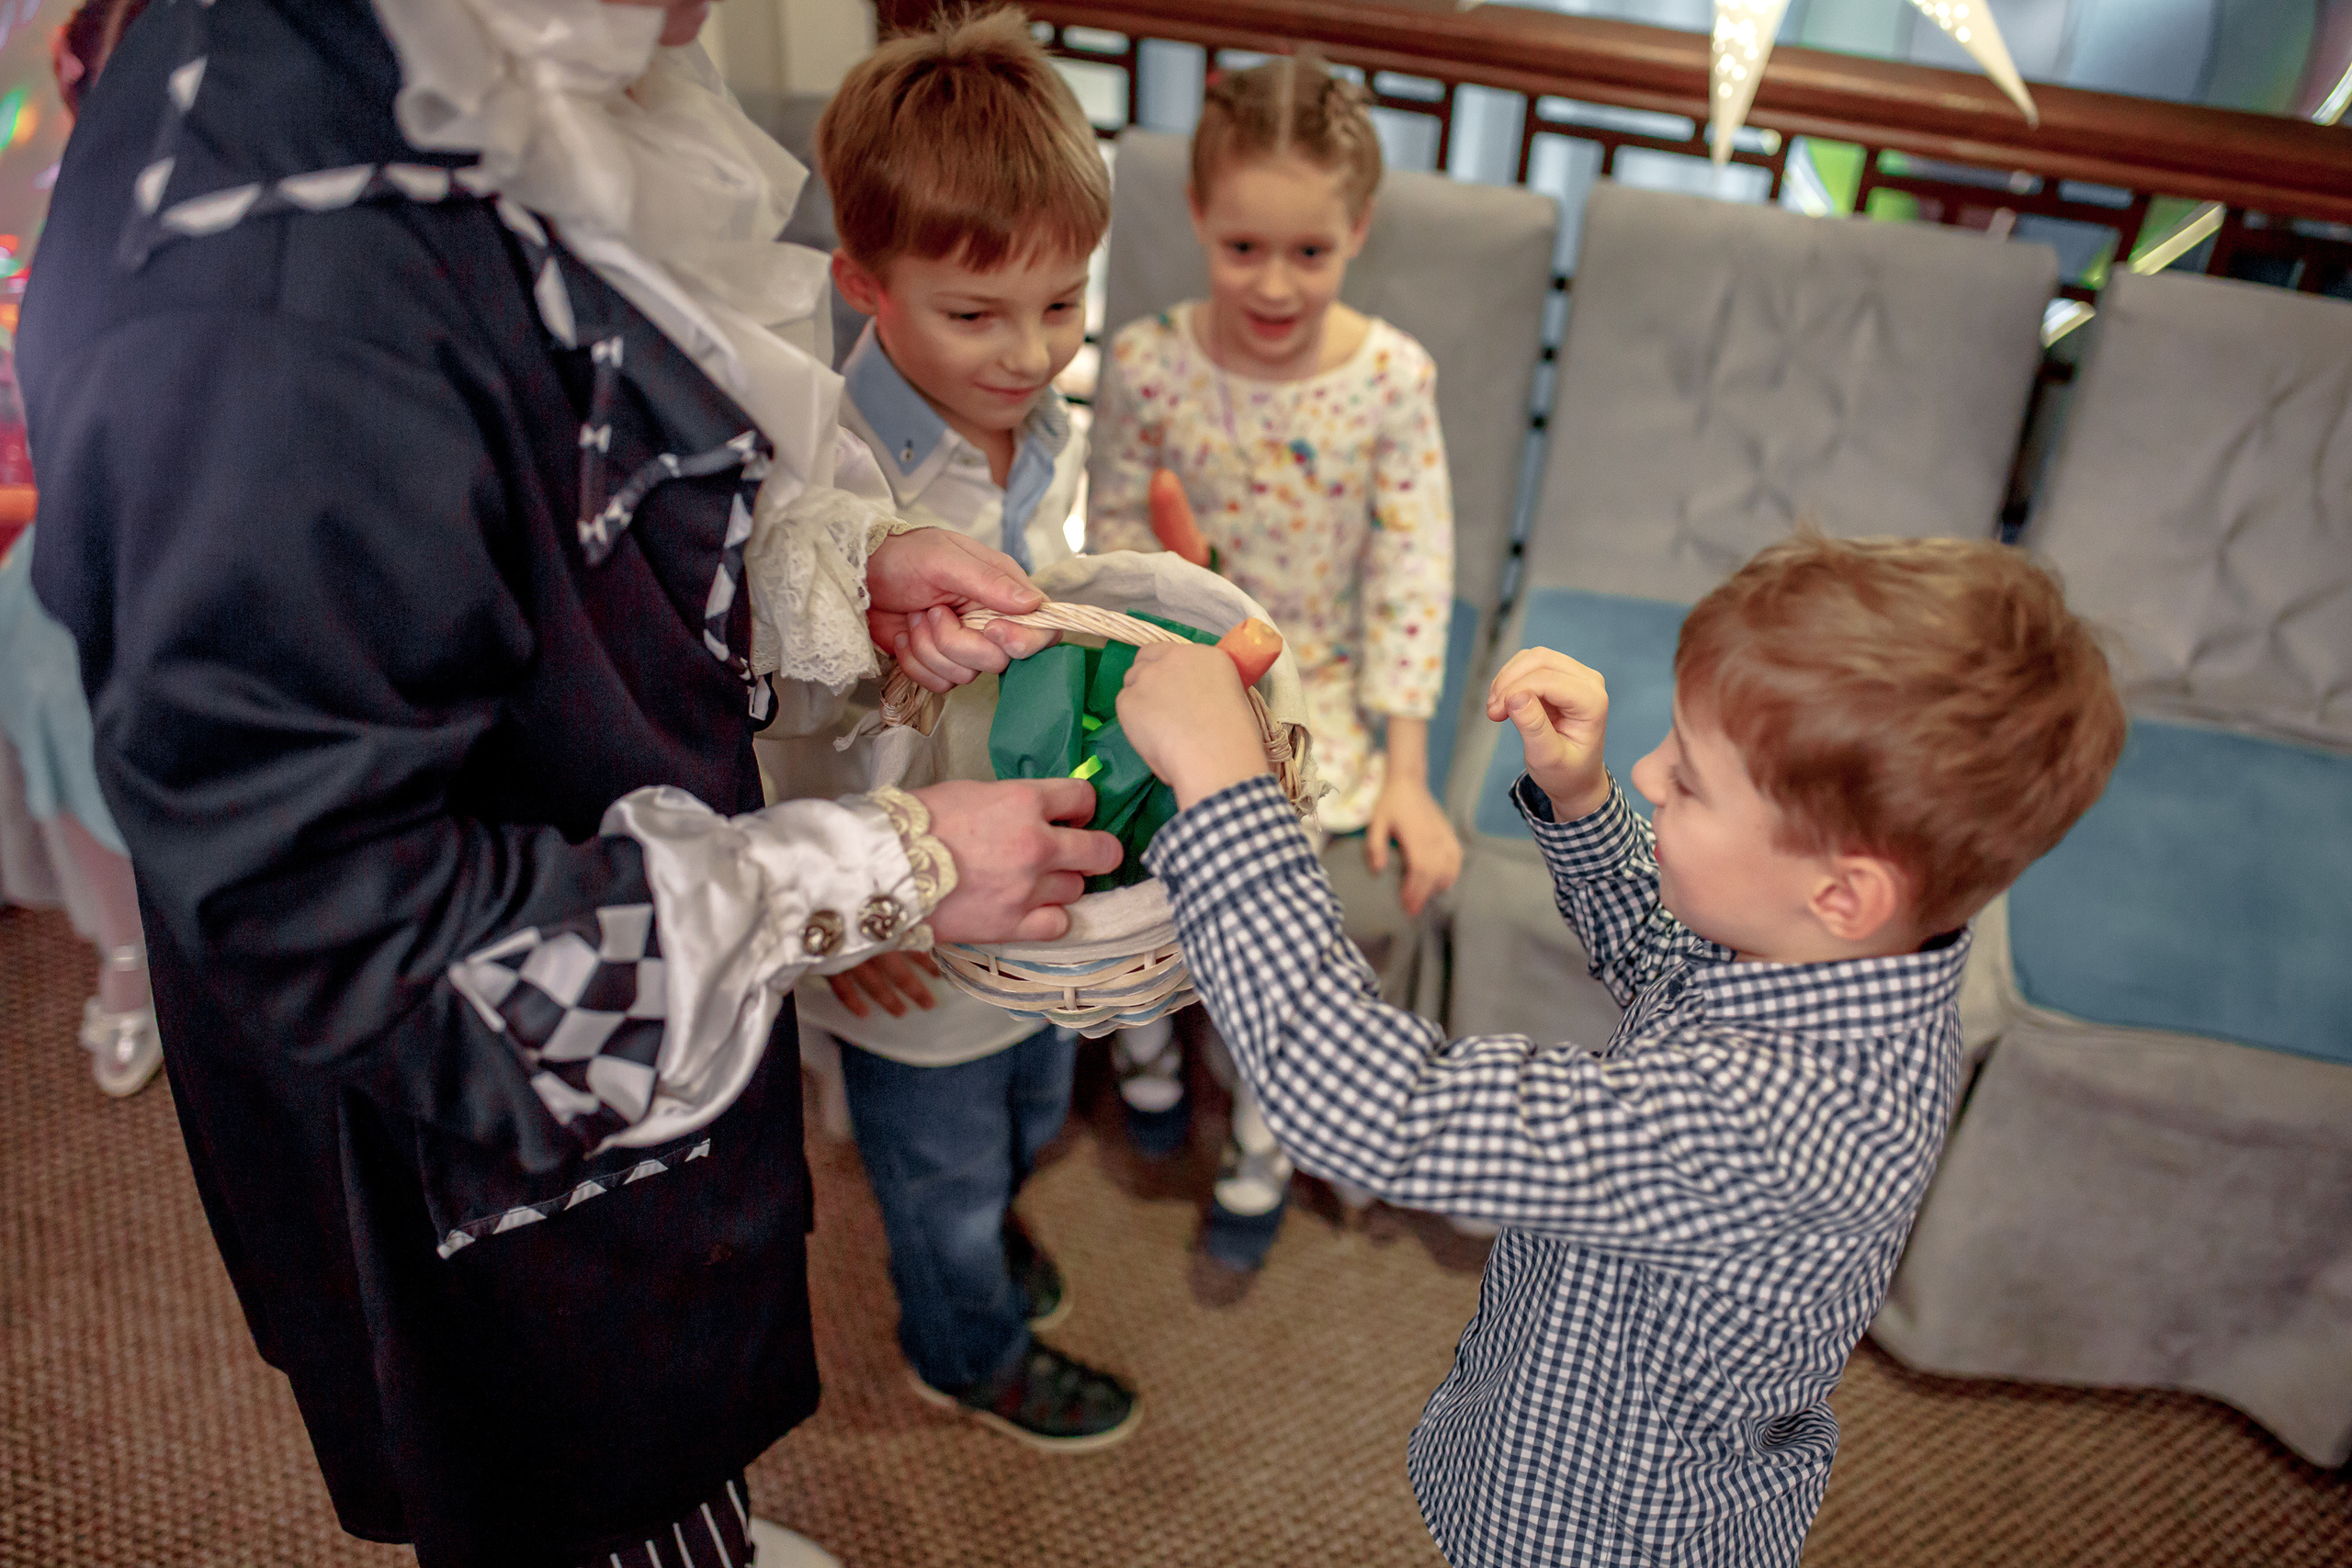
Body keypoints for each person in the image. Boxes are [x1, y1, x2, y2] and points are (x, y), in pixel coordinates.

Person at [19, 3, 1120, 1566]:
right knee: (567, 1446)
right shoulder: (273, 301)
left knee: (668, 1405)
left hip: (620, 906)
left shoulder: (483, 62)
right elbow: (363, 933)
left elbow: (553, 497)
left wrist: (832, 579)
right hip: (475, 1113)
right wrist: (892, 868)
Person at [1114, 532, 2127, 1567]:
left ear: (1843, 893)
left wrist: (1225, 791)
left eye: (1688, 782)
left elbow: (1385, 1110)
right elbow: (1664, 952)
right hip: (1551, 1429)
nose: (1649, 770)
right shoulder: (1839, 962)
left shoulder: (1777, 1119)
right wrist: (1587, 802)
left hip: (1595, 1532)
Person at [754, 7, 1136, 1452]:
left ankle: (989, 1235)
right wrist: (848, 913)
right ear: (863, 282)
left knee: (1032, 1100)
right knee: (939, 1163)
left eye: (1063, 304)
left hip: (1021, 862)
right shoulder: (825, 482)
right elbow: (775, 738)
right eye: (976, 315)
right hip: (898, 903)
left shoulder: (1041, 422)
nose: (1029, 352)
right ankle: (962, 1347)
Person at [1085, 53, 1461, 1295]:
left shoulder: (1392, 379)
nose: (1275, 283)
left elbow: (1411, 574)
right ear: (1197, 215)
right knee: (1130, 869)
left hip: (1315, 706)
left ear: (1359, 230)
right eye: (1244, 246)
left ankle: (1260, 1141)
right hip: (1165, 672)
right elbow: (1111, 548)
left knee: (1279, 941)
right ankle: (1144, 1059)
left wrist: (1408, 773)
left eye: (1310, 251)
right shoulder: (1146, 362)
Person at [0, 0, 160, 1097]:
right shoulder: (76, 234)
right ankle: (128, 944)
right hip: (98, 510)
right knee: (36, 626)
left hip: (203, 498)